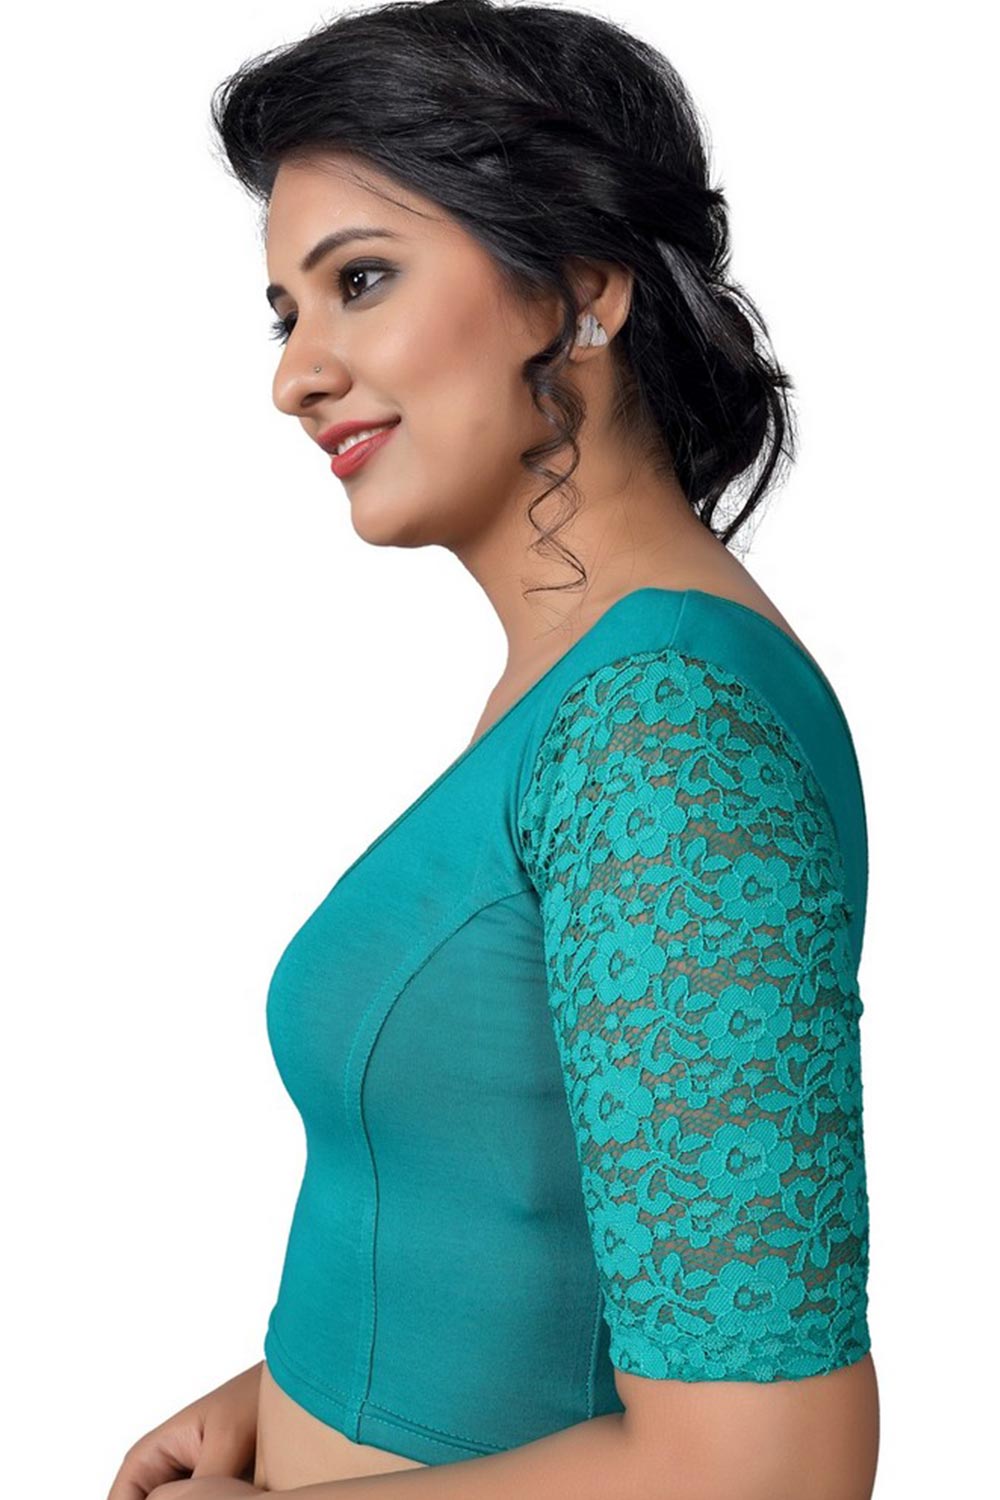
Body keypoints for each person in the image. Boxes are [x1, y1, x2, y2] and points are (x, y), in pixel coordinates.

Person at [108, 2, 879, 1496]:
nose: (296, 375)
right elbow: (520, 1205)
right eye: (286, 314)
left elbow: (769, 1470)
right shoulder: (588, 692)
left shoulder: (667, 733)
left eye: (362, 281)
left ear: (578, 290)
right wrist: (288, 1388)